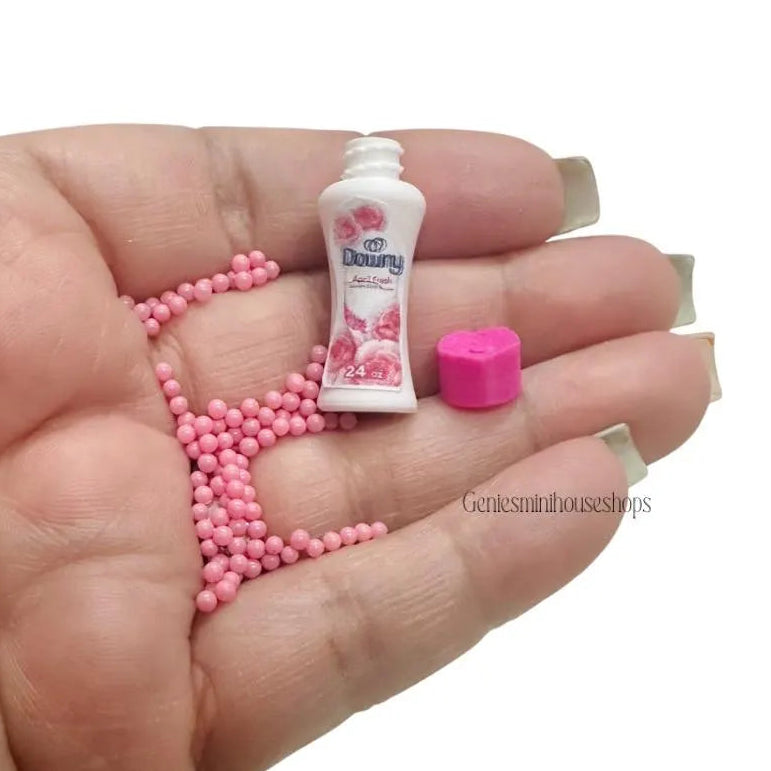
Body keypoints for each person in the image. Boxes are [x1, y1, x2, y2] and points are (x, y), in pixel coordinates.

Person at [0, 126, 717, 770]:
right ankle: (365, 376)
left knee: (374, 312)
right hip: (343, 377)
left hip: (362, 378)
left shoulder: (383, 207)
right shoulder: (353, 205)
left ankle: (370, 376)